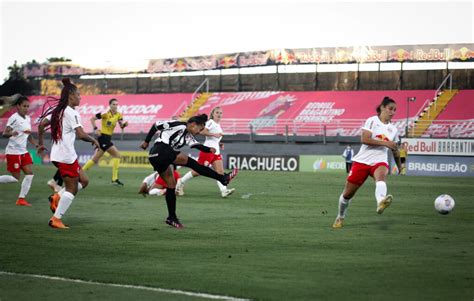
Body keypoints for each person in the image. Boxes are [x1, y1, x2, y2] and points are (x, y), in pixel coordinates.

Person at [140, 114, 238, 228]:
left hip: (156, 158)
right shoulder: (178, 125)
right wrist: (146, 141)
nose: (199, 132)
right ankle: (223, 178)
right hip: (161, 150)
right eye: (199, 129)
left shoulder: (188, 135)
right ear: (192, 124)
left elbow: (196, 145)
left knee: (171, 185)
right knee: (194, 164)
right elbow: (156, 125)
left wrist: (208, 149)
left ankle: (171, 217)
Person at [38, 78, 100, 229]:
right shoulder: (71, 112)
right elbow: (81, 134)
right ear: (71, 95)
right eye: (78, 94)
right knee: (72, 189)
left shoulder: (57, 110)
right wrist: (94, 140)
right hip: (65, 156)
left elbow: (41, 125)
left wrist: (41, 143)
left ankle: (57, 197)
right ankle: (56, 219)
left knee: (84, 181)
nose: (80, 97)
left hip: (59, 155)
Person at [333, 97, 402, 229]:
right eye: (390, 109)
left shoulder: (393, 130)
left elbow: (395, 149)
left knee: (381, 177)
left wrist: (400, 166)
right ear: (382, 107)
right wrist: (385, 143)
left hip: (380, 161)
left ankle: (381, 201)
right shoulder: (372, 121)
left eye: (395, 110)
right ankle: (340, 217)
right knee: (347, 194)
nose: (393, 112)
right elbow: (365, 139)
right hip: (362, 161)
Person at [176, 107, 235, 198]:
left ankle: (224, 191)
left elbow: (214, 138)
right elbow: (202, 131)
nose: (219, 114)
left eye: (221, 113)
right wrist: (214, 134)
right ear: (213, 114)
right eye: (217, 113)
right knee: (199, 170)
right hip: (208, 149)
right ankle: (181, 181)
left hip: (216, 151)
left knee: (220, 172)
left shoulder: (218, 125)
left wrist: (219, 143)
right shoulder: (210, 122)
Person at [0, 95, 40, 206]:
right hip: (13, 152)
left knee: (30, 174)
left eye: (28, 106)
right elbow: (5, 133)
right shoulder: (14, 118)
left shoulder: (27, 118)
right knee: (15, 178)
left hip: (23, 152)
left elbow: (28, 134)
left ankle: (21, 199)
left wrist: (36, 145)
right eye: (24, 106)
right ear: (18, 106)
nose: (26, 108)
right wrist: (11, 133)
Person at [82, 98, 128, 185]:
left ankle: (79, 173)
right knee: (117, 155)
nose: (115, 106)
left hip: (107, 138)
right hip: (103, 138)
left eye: (116, 104)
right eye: (113, 104)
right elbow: (92, 119)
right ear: (110, 105)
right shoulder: (105, 114)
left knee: (95, 159)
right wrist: (95, 129)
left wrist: (125, 125)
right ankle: (114, 179)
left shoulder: (119, 115)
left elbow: (121, 126)